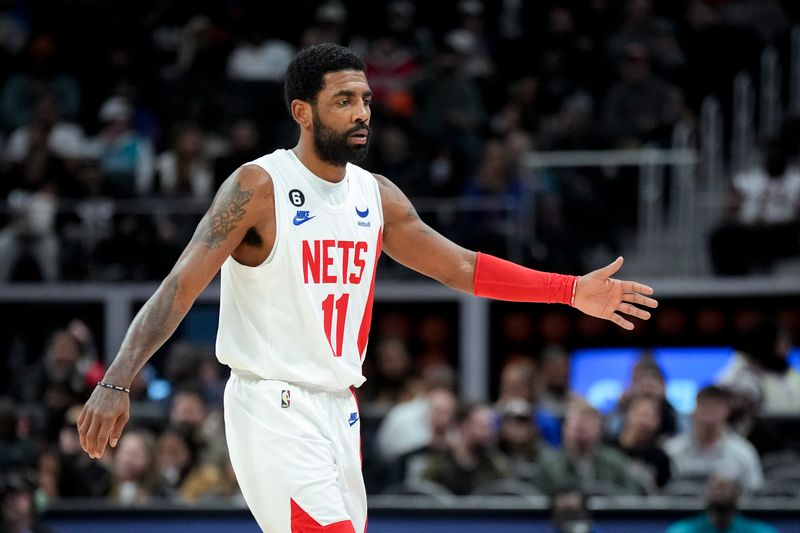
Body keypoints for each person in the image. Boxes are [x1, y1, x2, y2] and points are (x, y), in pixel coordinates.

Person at [76, 43, 657, 532]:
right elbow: (179, 287)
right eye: (344, 100)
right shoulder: (259, 185)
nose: (362, 113)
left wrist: (570, 291)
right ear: (302, 112)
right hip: (272, 403)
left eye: (366, 100)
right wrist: (116, 380)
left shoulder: (374, 194)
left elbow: (462, 267)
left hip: (339, 408)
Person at [665, 474, 779, 533]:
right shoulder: (682, 530)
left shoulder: (760, 531)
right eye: (716, 487)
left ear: (737, 494)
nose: (720, 491)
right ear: (705, 494)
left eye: (725, 487)